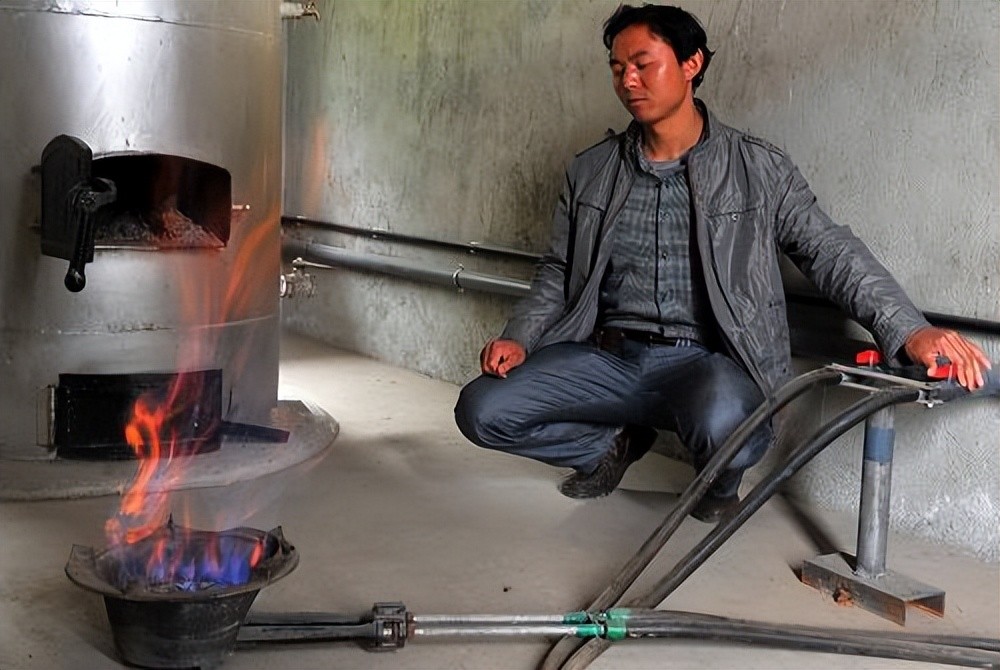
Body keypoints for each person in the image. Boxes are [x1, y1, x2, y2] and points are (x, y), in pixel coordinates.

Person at [453, 4, 991, 523]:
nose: (627, 80)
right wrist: (520, 337)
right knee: (483, 409)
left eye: (642, 64)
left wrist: (909, 330)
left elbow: (830, 251)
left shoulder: (757, 168)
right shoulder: (591, 171)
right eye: (617, 68)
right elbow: (557, 269)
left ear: (691, 64)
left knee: (724, 421)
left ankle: (719, 485)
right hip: (609, 360)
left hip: (706, 364)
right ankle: (607, 446)